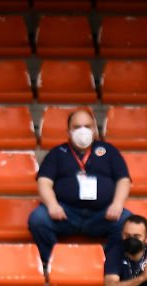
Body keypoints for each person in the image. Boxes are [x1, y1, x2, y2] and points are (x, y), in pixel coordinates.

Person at [28, 108, 133, 267]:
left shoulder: (109, 151)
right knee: (38, 219)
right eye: (77, 127)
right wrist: (52, 205)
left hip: (101, 214)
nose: (83, 131)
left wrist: (117, 204)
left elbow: (123, 180)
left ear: (94, 129)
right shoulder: (57, 153)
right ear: (68, 131)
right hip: (65, 214)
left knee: (127, 222)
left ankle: (109, 264)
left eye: (87, 126)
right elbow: (44, 181)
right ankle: (53, 261)